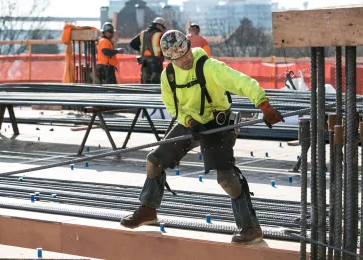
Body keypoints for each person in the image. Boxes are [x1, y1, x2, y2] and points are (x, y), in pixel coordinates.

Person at [120, 30, 284, 244]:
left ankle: (251, 227)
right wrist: (188, 121)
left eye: (186, 55)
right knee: (154, 161)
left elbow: (242, 82)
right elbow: (171, 106)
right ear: (169, 59)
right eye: (178, 60)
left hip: (217, 123)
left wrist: (263, 104)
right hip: (191, 123)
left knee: (227, 179)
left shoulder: (210, 67)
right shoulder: (168, 76)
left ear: (189, 47)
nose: (185, 61)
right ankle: (148, 210)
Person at [130, 17, 166, 83]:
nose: (163, 29)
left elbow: (132, 43)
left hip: (144, 63)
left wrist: (140, 50)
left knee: (145, 83)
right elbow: (165, 47)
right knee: (155, 83)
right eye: (163, 27)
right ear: (158, 25)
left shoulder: (143, 34)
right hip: (155, 63)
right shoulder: (160, 35)